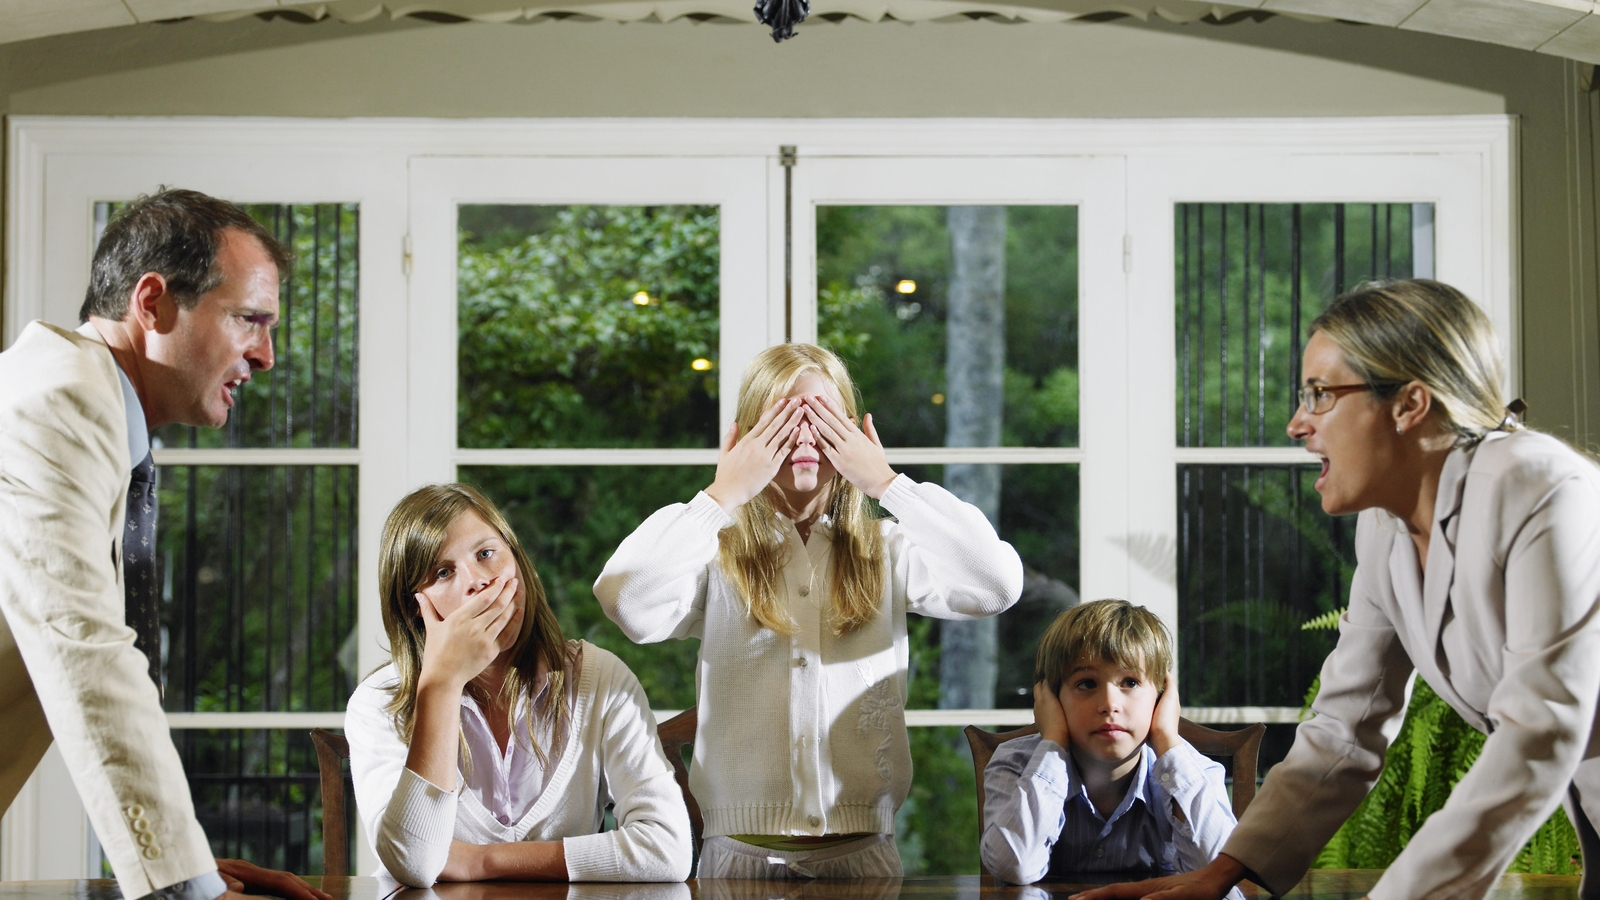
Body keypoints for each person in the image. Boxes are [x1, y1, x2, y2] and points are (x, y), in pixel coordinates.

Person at [1077, 279, 1600, 900]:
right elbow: (1345, 726)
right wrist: (1219, 877)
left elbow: (1540, 729)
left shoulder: (1544, 489)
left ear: (1410, 403)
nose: (1299, 424)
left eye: (1320, 395)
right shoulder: (1385, 530)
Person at [0, 189, 328, 900]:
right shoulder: (58, 401)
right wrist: (187, 887)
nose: (267, 356)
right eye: (250, 320)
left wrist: (194, 868)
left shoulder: (93, 411)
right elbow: (85, 649)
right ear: (151, 303)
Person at [594, 342, 1025, 879]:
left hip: (863, 855)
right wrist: (721, 494)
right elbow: (626, 601)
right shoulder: (713, 549)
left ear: (853, 434)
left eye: (820, 417)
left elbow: (996, 584)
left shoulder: (885, 547)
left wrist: (887, 483)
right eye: (781, 419)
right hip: (735, 859)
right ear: (748, 437)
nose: (802, 436)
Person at [344, 483, 692, 887]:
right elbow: (416, 864)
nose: (478, 582)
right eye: (443, 572)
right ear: (414, 607)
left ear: (518, 562)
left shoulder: (599, 679)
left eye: (486, 554)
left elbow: (667, 850)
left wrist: (482, 862)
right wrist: (442, 684)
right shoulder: (376, 703)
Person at [981, 600, 1237, 886]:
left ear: (1162, 697)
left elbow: (1220, 875)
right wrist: (1053, 742)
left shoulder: (1196, 773)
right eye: (1087, 684)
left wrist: (1166, 738)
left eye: (1130, 682)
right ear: (1051, 699)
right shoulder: (1015, 764)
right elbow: (1013, 866)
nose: (1109, 704)